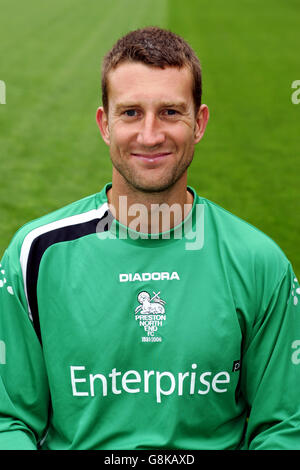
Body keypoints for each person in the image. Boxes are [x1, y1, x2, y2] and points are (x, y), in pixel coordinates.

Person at [0, 26, 299, 451]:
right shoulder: (35, 254)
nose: (150, 135)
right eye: (131, 113)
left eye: (171, 112)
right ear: (105, 124)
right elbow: (7, 419)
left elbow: (286, 426)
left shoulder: (259, 262)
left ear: (200, 123)